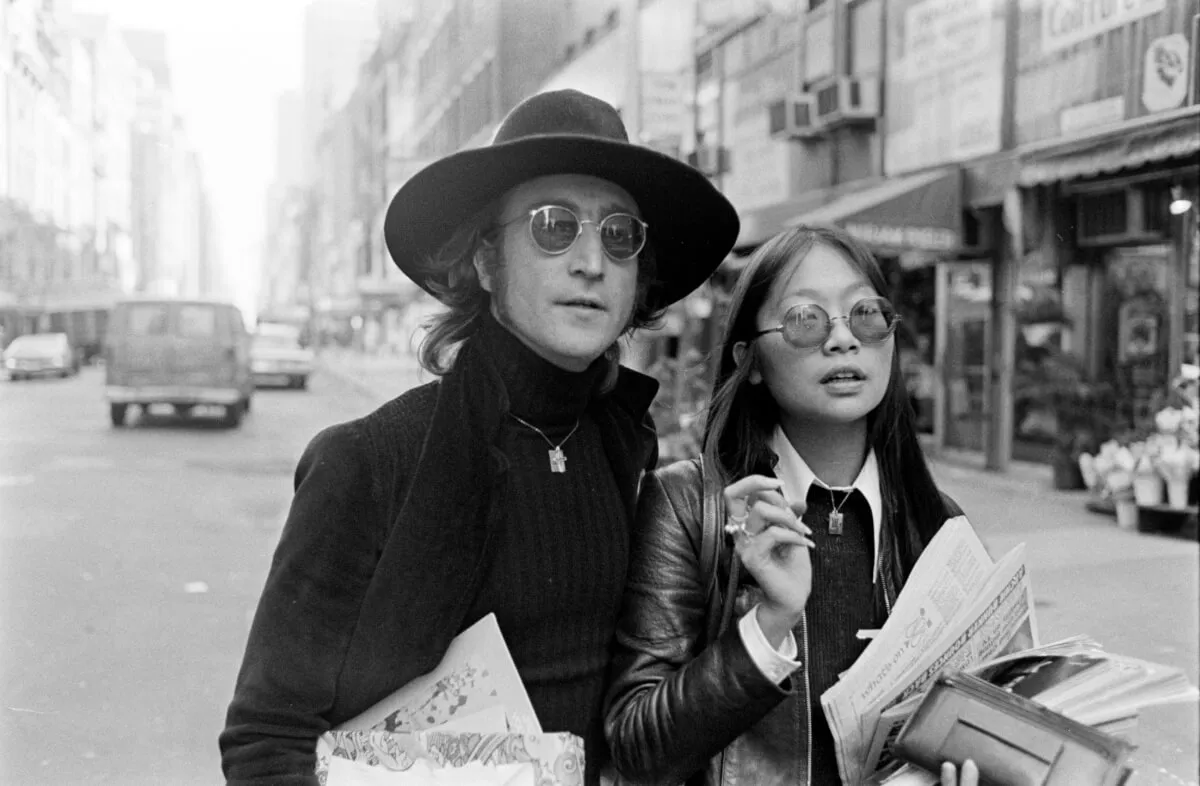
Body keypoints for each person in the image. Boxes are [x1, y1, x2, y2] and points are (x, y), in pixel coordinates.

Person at [218, 89, 739, 785]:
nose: (592, 261)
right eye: (556, 226)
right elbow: (266, 741)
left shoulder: (627, 449)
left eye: (619, 234)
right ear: (487, 262)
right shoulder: (370, 460)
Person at [603, 224, 978, 785]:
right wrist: (768, 623)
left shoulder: (936, 523)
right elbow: (637, 747)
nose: (843, 340)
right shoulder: (688, 506)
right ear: (749, 360)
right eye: (806, 319)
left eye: (866, 314)